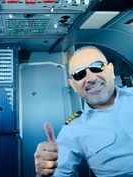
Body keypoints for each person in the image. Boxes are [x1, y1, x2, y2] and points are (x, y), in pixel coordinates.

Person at [34, 46, 133, 177]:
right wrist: (45, 173)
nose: (91, 78)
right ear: (73, 85)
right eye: (79, 74)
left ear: (111, 70)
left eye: (97, 66)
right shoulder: (72, 130)